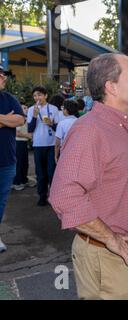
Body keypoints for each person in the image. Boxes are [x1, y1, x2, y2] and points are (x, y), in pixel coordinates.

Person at [49, 53, 128, 300]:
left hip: (120, 253)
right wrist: (110, 239)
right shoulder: (90, 130)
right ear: (111, 86)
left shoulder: (118, 125)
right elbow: (64, 197)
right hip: (106, 256)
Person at [0, 65, 25, 253]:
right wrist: (5, 119)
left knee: (1, 202)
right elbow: (12, 120)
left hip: (7, 161)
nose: (2, 77)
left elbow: (20, 120)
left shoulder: (9, 99)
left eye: (3, 74)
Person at [27, 86, 60, 206]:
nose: (37, 97)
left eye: (40, 95)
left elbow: (57, 128)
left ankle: (54, 196)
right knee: (40, 173)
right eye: (35, 95)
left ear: (45, 95)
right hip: (38, 145)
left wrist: (51, 124)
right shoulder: (31, 109)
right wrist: (35, 116)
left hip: (51, 144)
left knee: (52, 172)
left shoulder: (54, 108)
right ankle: (42, 196)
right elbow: (30, 129)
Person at [12, 103, 35, 191]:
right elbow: (16, 133)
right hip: (18, 143)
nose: (26, 109)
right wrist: (27, 136)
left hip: (23, 143)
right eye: (24, 108)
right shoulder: (18, 119)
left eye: (27, 107)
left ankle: (23, 180)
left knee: (24, 163)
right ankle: (16, 183)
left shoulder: (26, 119)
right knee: (19, 163)